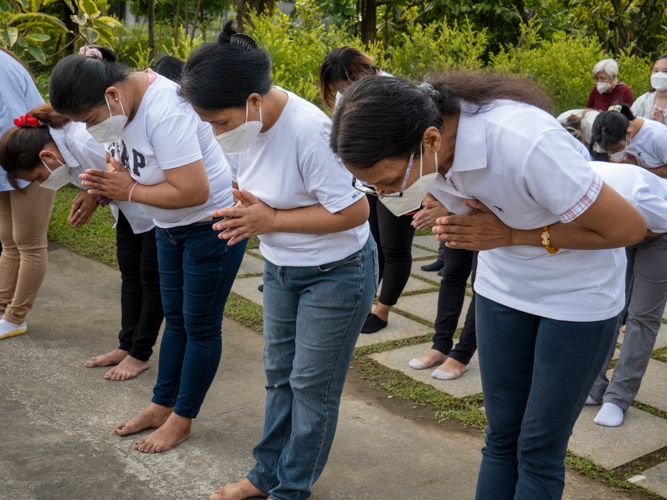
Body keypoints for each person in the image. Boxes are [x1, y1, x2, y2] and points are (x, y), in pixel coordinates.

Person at [330, 72, 646, 500]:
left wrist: (513, 235)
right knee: (501, 438)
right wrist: (448, 205)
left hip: (577, 300)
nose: (385, 193)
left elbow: (627, 228)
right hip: (503, 290)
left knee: (537, 449)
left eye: (387, 181)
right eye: (373, 186)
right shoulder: (434, 142)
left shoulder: (524, 142)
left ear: (429, 140)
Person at [180, 23, 376, 500]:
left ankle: (291, 488)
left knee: (312, 385)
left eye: (220, 123)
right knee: (279, 375)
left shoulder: (312, 131)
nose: (215, 132)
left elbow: (355, 211)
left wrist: (269, 218)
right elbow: (252, 190)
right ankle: (264, 475)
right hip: (281, 267)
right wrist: (252, 213)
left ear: (252, 100)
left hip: (338, 271)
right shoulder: (241, 129)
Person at [49, 44, 244, 453]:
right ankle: (161, 406)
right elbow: (116, 152)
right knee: (175, 319)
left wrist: (132, 190)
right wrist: (101, 188)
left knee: (200, 326)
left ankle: (182, 418)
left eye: (90, 120)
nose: (90, 129)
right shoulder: (117, 103)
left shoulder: (165, 112)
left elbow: (195, 190)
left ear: (113, 96)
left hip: (210, 224)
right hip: (167, 226)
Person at [0, 103, 162, 381]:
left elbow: (132, 168)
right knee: (131, 277)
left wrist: (96, 194)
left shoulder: (83, 141)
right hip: (129, 211)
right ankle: (126, 347)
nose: (42, 183)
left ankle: (140, 354)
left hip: (154, 209)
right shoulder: (60, 146)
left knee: (151, 279)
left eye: (38, 177)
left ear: (47, 156)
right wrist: (94, 191)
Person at [320, 46, 417, 333]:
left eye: (347, 86)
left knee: (395, 246)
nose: (343, 93)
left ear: (360, 72)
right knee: (373, 240)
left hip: (400, 178)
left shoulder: (395, 92)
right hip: (368, 179)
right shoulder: (346, 93)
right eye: (339, 89)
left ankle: (383, 311)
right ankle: (369, 301)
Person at [585, 163, 667, 427]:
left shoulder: (633, 195)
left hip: (660, 232)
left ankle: (618, 398)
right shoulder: (564, 185)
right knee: (609, 308)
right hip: (620, 230)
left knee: (641, 317)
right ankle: (593, 386)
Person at [0, 48, 55, 341]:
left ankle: (15, 317)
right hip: (9, 160)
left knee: (29, 243)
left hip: (30, 160)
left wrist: (17, 168)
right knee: (9, 240)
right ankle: (1, 311)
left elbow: (10, 121)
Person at [410, 249, 477, 379]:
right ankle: (440, 347)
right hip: (459, 227)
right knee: (452, 273)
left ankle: (462, 355)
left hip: (489, 230)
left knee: (480, 283)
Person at [591, 104, 667, 178]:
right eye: (609, 151)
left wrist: (637, 168)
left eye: (616, 149)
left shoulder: (659, 137)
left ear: (628, 133)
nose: (614, 155)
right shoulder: (613, 136)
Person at [631, 54, 667, 123]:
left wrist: (662, 126)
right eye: (656, 71)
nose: (659, 75)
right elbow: (629, 126)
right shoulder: (642, 101)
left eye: (665, 71)